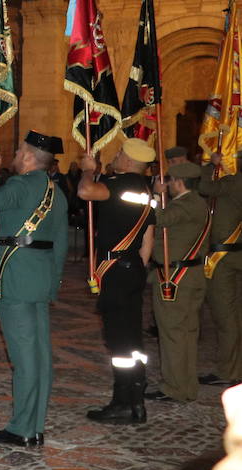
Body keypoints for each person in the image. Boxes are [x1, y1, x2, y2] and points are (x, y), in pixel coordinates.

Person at [0, 130, 69, 447]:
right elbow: (61, 244)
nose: (14, 156)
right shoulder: (57, 192)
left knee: (24, 358)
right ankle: (35, 424)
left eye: (18, 151)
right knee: (40, 356)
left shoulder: (20, 184)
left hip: (15, 276)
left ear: (29, 156)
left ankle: (22, 429)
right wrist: (53, 283)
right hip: (41, 278)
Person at [78, 136, 156, 424]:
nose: (117, 155)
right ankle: (136, 396)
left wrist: (89, 168)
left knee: (119, 341)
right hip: (134, 267)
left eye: (120, 152)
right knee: (132, 339)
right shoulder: (147, 191)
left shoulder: (121, 185)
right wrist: (135, 268)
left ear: (127, 159)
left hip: (117, 269)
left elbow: (86, 192)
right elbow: (148, 240)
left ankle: (124, 402)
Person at [146, 161, 211, 402]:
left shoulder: (186, 205)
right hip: (189, 276)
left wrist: (155, 194)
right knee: (186, 334)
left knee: (173, 334)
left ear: (179, 182)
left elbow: (157, 217)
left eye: (170, 181)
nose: (168, 185)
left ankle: (174, 387)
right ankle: (186, 386)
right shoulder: (198, 203)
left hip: (176, 279)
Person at [198, 151, 242, 386]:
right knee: (237, 315)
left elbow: (203, 187)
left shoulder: (233, 182)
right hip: (238, 254)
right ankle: (237, 366)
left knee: (225, 316)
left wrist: (209, 164)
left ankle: (228, 371)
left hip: (223, 257)